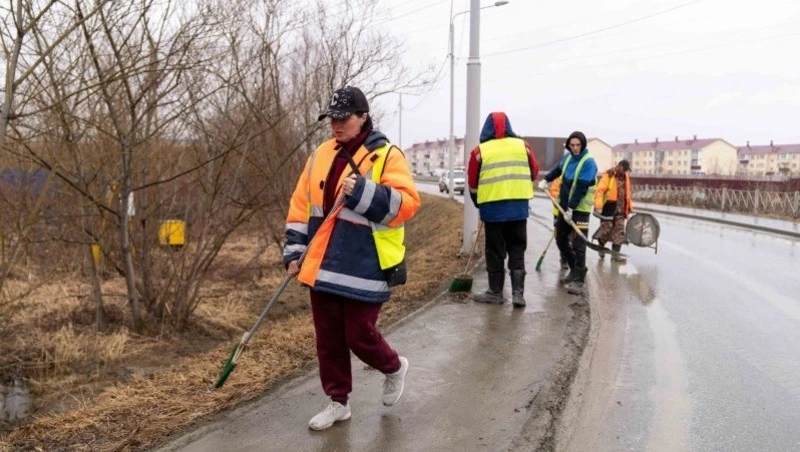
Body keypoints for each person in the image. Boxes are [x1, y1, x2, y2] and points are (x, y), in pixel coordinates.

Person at [283, 86, 421, 430]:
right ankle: (338, 402)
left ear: (363, 117)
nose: (336, 125)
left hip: (366, 262)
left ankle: (393, 367)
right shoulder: (319, 155)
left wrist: (362, 192)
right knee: (328, 338)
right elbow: (301, 207)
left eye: (344, 118)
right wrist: (295, 250)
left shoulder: (387, 155)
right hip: (323, 261)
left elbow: (407, 205)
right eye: (332, 119)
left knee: (358, 334)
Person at [467, 112, 539, 307]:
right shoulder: (523, 146)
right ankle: (518, 294)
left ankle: (496, 292)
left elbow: (472, 183)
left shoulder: (479, 151)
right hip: (518, 209)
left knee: (495, 251)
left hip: (493, 210)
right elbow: (534, 171)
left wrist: (477, 202)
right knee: (517, 249)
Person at [538, 131, 597, 295]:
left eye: (578, 145)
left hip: (580, 210)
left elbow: (581, 188)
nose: (575, 148)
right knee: (560, 238)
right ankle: (573, 269)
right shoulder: (568, 158)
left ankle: (579, 280)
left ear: (583, 145)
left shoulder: (589, 163)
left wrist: (572, 207)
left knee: (579, 244)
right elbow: (558, 170)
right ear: (569, 145)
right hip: (565, 208)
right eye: (572, 145)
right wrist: (546, 179)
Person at [592, 160, 633, 262]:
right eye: (624, 170)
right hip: (608, 208)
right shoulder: (609, 175)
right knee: (606, 230)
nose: (625, 172)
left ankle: (615, 256)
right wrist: (598, 205)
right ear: (619, 166)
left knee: (619, 232)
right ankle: (601, 245)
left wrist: (629, 207)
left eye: (626, 171)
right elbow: (600, 190)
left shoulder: (626, 178)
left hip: (621, 209)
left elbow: (627, 194)